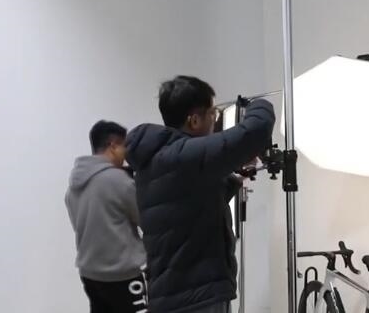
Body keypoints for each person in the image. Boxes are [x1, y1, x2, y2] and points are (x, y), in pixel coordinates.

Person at [125, 75, 275, 313]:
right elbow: (255, 132)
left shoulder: (158, 160)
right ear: (194, 120)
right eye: (213, 113)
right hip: (195, 298)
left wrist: (233, 181)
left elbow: (189, 206)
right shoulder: (183, 156)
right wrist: (259, 103)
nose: (215, 119)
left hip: (177, 295)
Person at [66, 120, 148, 313]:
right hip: (123, 275)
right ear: (113, 146)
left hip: (90, 275)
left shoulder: (73, 186)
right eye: (124, 147)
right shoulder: (118, 180)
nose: (126, 155)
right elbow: (145, 219)